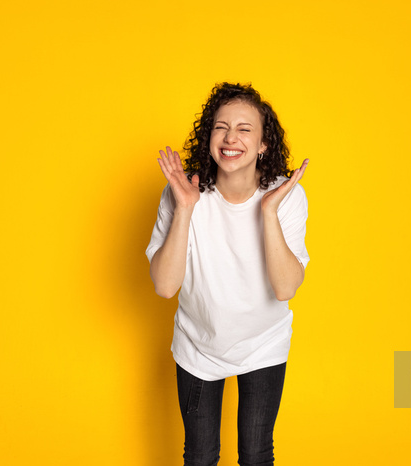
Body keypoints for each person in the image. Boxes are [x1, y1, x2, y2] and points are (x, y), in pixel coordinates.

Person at [146, 82, 309, 466]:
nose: (231, 137)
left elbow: (286, 288)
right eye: (221, 127)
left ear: (263, 143)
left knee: (255, 455)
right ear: (209, 137)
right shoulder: (180, 191)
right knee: (200, 457)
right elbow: (166, 286)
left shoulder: (286, 195)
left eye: (244, 129)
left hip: (263, 345)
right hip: (198, 347)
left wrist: (268, 212)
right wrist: (185, 207)